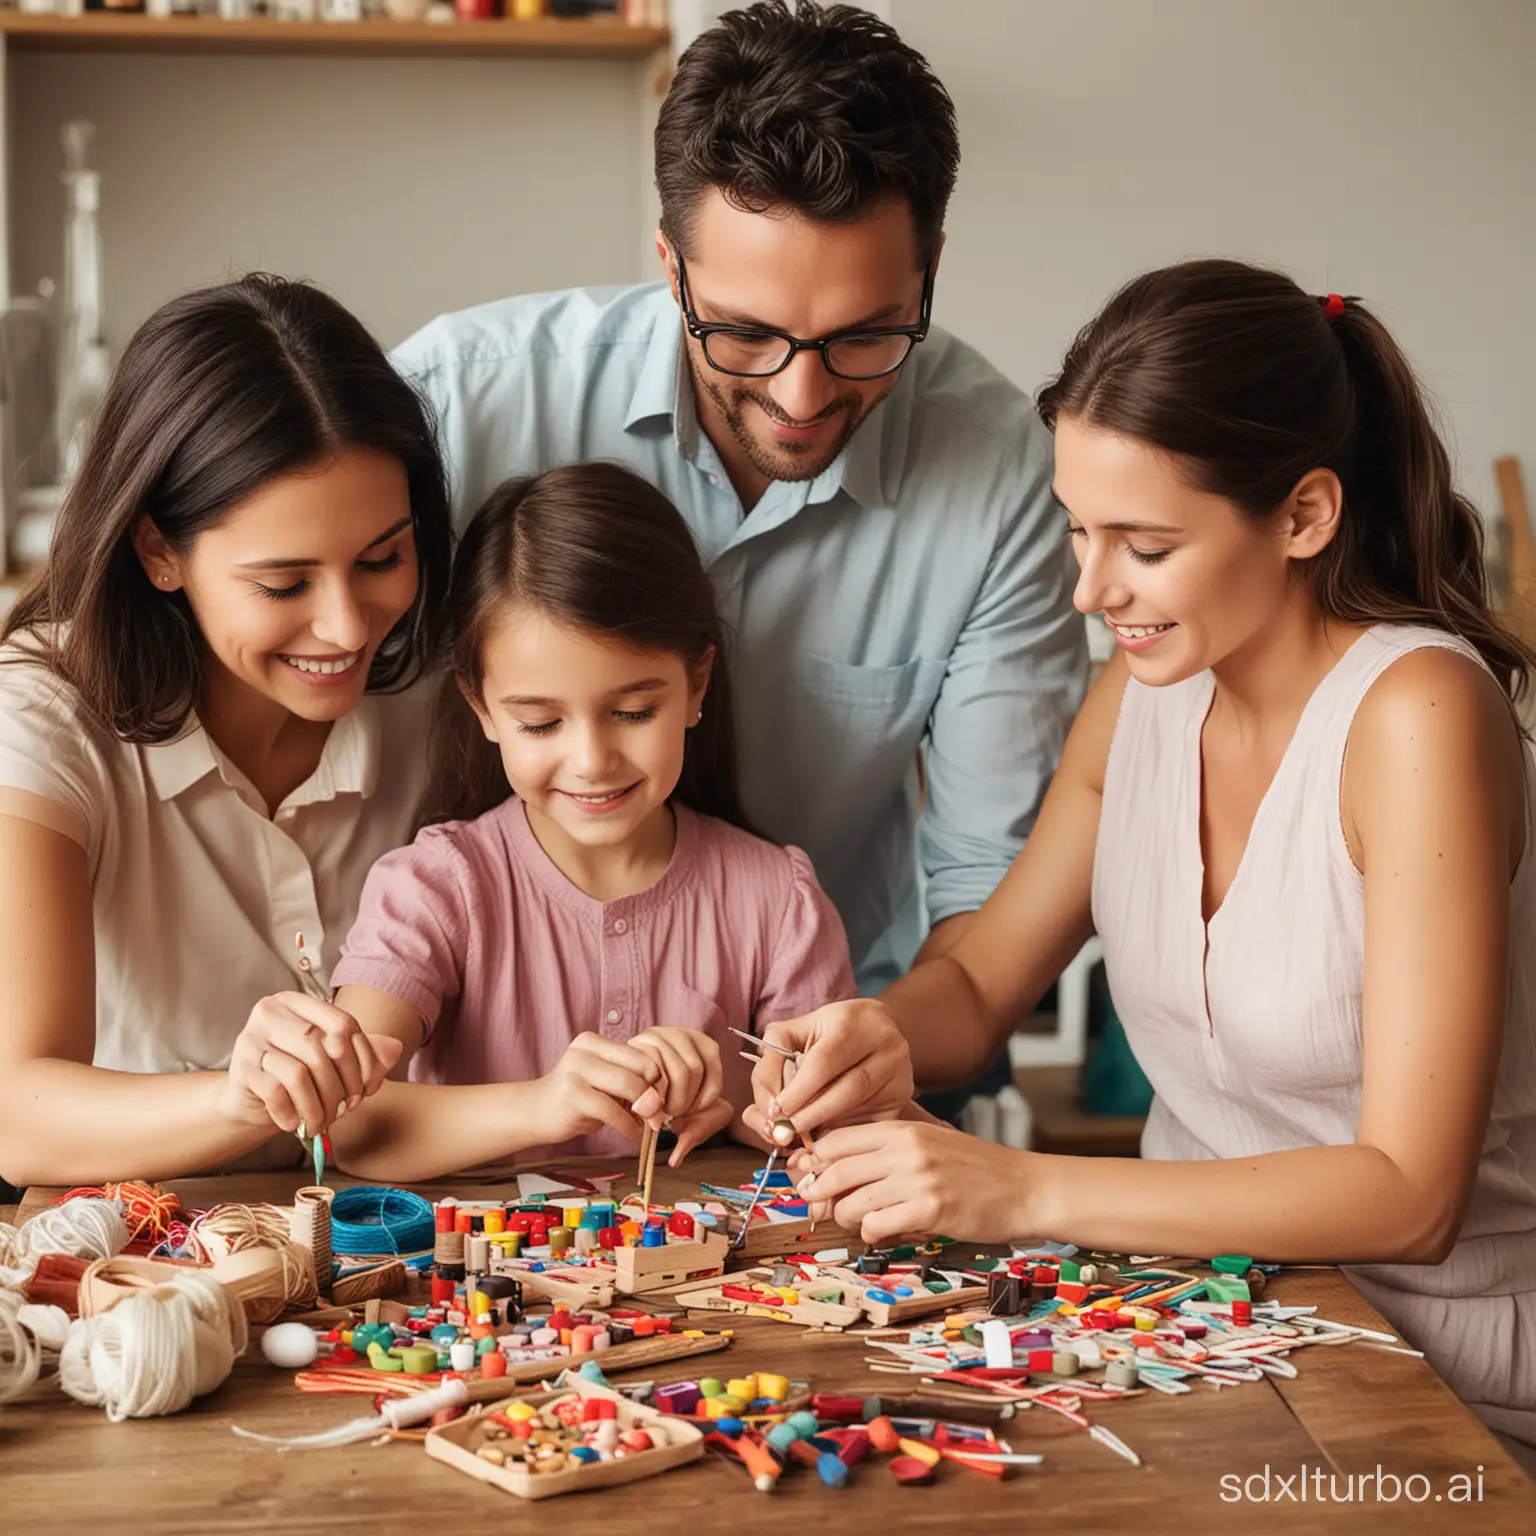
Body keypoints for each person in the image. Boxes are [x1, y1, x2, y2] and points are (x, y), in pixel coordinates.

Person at [762, 259, 1536, 1467]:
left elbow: (1408, 1194)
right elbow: (977, 989)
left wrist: (1017, 1189)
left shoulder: (1419, 712)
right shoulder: (1144, 696)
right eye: (1079, 530)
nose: (1090, 588)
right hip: (1205, 1326)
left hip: (1448, 1374)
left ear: (1304, 515)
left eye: (1145, 543)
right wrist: (876, 1033)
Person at [392, 3, 1086, 1048]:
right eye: (747, 333)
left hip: (844, 1035)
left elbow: (988, 913)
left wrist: (862, 1052)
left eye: (866, 335)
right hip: (465, 1067)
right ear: (670, 267)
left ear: (929, 267)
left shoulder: (999, 478)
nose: (802, 395)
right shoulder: (457, 404)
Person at [0, 275, 453, 1187]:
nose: (347, 627)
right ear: (157, 550)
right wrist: (240, 1094)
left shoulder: (447, 700)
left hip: (398, 1231)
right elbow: (20, 1114)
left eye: (382, 559)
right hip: (138, 1249)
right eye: (284, 583)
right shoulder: (43, 713)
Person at [321, 463, 858, 1181]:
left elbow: (834, 1133)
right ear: (481, 708)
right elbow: (349, 1124)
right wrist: (546, 1106)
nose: (592, 761)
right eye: (540, 723)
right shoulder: (435, 889)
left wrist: (732, 1105)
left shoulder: (778, 898)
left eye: (634, 713)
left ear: (697, 685)